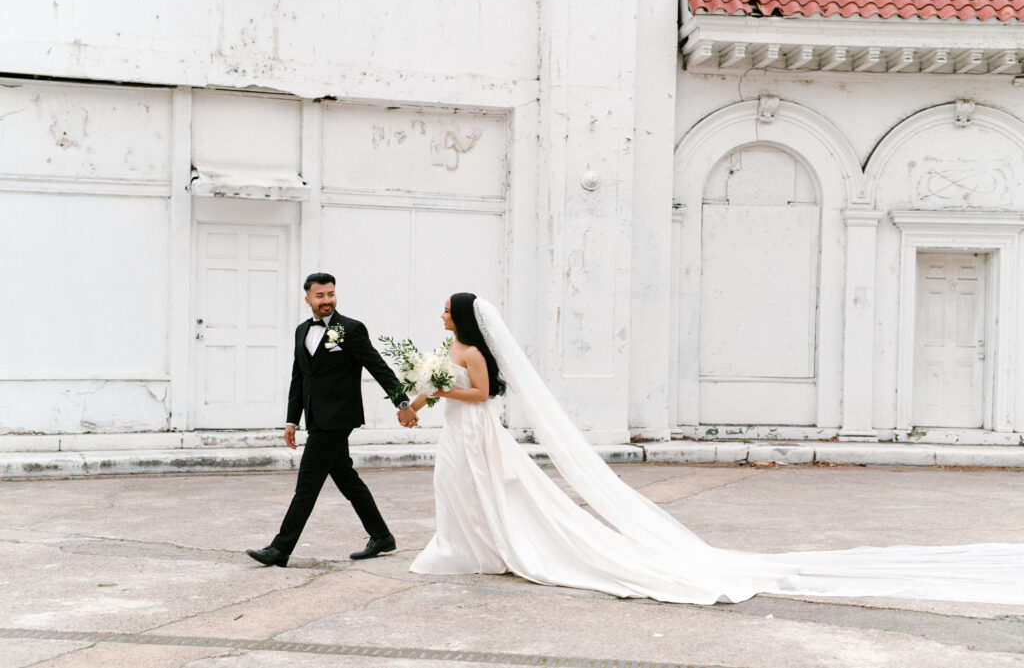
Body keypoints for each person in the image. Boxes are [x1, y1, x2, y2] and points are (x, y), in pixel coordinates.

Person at [404, 292, 1024, 605]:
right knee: (455, 488)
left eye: (444, 310)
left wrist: (438, 390)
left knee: (475, 485)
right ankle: (469, 545)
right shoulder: (447, 352)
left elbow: (481, 395)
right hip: (457, 432)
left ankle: (484, 547)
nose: (439, 314)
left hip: (473, 427)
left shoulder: (469, 354)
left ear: (459, 316)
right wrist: (428, 394)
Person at [246, 272, 418, 568]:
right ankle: (381, 536)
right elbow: (299, 377)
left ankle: (280, 549)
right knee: (346, 479)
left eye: (331, 294)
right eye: (320, 296)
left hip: (338, 417)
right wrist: (291, 420)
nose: (327, 300)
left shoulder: (350, 329)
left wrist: (402, 402)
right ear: (308, 299)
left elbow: (377, 366)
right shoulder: (302, 330)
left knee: (307, 486)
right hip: (315, 417)